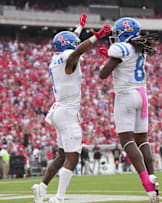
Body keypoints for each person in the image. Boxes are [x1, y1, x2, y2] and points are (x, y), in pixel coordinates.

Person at [31, 13, 111, 203]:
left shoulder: (55, 57)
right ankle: (59, 197)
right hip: (67, 111)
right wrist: (96, 36)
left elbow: (71, 42)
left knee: (61, 156)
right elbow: (76, 51)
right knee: (72, 157)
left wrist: (80, 28)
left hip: (59, 109)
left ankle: (41, 187)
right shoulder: (69, 56)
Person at [98, 17, 159, 202]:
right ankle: (153, 176)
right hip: (142, 93)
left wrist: (107, 62)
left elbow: (103, 74)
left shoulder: (120, 48)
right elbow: (125, 63)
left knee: (126, 140)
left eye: (117, 34)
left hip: (125, 95)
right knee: (143, 140)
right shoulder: (140, 47)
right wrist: (111, 59)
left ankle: (146, 184)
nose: (115, 38)